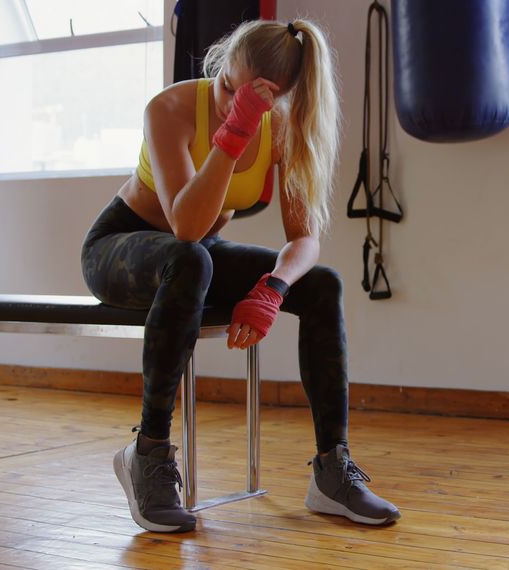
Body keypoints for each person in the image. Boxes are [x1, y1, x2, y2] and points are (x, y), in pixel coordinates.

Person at [80, 19, 400, 533]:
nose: (231, 101)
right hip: (119, 248)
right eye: (227, 85)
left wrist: (273, 290)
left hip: (195, 255)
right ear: (221, 62)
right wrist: (235, 131)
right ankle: (148, 453)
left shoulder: (287, 129)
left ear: (284, 97)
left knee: (321, 284)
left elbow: (303, 239)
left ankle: (331, 470)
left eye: (253, 98)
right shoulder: (171, 109)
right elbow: (186, 225)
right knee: (193, 258)